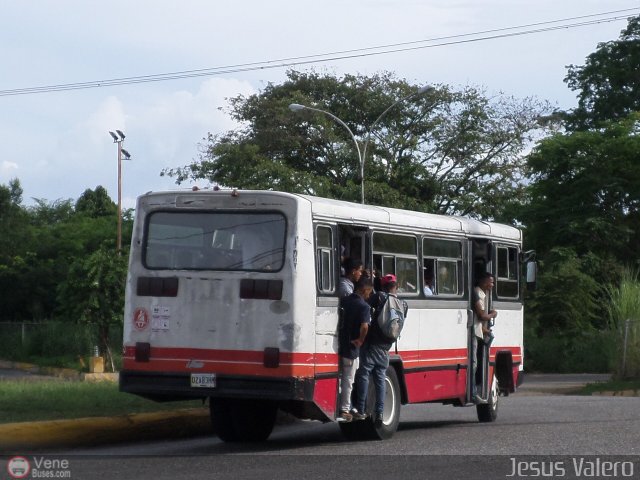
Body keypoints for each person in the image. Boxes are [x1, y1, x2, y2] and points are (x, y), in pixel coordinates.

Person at [353, 273, 398, 426]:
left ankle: (362, 408)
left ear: (381, 286)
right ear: (396, 287)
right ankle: (379, 413)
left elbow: (364, 304)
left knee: (364, 374)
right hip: (386, 346)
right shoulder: (402, 304)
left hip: (372, 344)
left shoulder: (378, 296)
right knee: (380, 378)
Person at [337, 278, 373, 421]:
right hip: (351, 348)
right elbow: (365, 326)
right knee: (348, 380)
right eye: (369, 292)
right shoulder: (363, 306)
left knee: (340, 379)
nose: (369, 296)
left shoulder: (344, 301)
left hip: (339, 345)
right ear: (364, 290)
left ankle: (342, 405)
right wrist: (361, 340)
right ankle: (345, 409)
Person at [472, 271, 498, 403]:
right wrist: (493, 314)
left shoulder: (482, 293)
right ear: (483, 281)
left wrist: (485, 330)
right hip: (473, 334)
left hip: (478, 331)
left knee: (475, 362)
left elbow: (477, 321)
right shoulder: (477, 293)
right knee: (474, 364)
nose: (492, 285)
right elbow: (481, 316)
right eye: (490, 282)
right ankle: (473, 391)